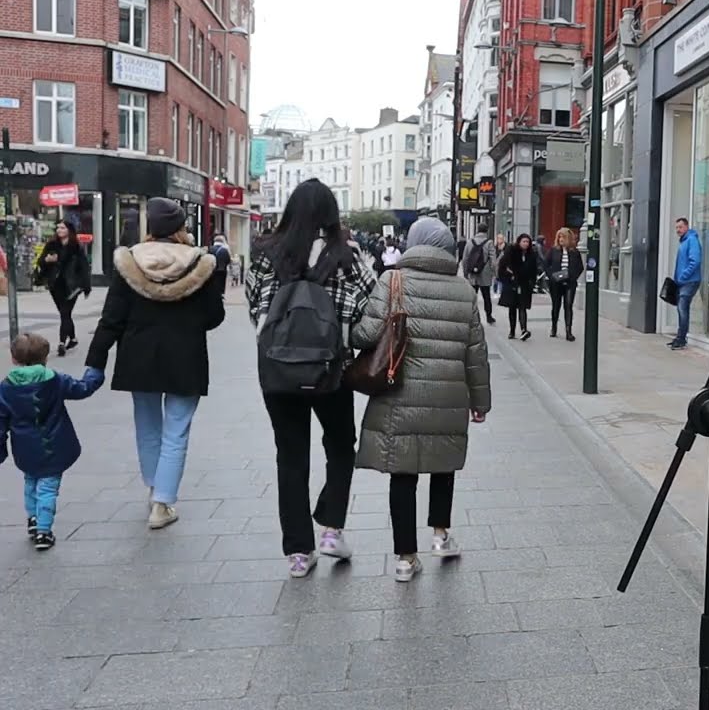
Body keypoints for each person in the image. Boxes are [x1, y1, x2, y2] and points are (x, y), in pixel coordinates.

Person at [246, 179, 378, 579]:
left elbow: (256, 309)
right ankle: (332, 529)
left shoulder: (265, 253)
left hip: (278, 371)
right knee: (340, 445)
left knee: (290, 455)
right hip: (329, 370)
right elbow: (369, 308)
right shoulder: (346, 255)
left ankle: (298, 552)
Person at [352, 217, 491, 581]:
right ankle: (441, 537)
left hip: (399, 397)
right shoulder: (464, 290)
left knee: (403, 475)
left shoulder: (392, 280)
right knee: (443, 464)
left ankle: (404, 558)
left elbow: (365, 334)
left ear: (413, 243)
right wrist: (480, 402)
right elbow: (475, 353)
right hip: (449, 396)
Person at [86, 198, 226, 530]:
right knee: (176, 430)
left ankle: (153, 488)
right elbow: (213, 318)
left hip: (139, 356)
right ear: (181, 228)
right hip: (185, 358)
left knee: (147, 427)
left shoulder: (130, 261)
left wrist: (96, 361)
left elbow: (112, 318)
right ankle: (163, 503)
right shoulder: (200, 264)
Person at [0, 333, 104, 550]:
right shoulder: (55, 380)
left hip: (24, 449)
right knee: (47, 487)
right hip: (54, 447)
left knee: (30, 481)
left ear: (13, 359)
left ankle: (33, 520)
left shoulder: (6, 388)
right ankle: (43, 532)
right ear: (45, 359)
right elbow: (82, 389)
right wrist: (94, 372)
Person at [37, 221, 91, 357]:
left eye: (62, 227)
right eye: (58, 227)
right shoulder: (52, 245)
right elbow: (41, 261)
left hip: (72, 286)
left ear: (69, 230)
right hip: (56, 285)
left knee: (65, 313)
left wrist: (86, 285)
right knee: (64, 314)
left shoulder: (75, 247)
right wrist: (47, 260)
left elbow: (84, 266)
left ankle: (62, 343)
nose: (59, 230)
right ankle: (72, 339)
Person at [497, 233, 539, 341]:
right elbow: (502, 267)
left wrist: (532, 283)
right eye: (523, 241)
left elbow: (534, 270)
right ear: (519, 242)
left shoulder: (531, 254)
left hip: (524, 285)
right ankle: (512, 331)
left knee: (522, 307)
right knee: (512, 308)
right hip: (513, 284)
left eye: (527, 242)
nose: (525, 244)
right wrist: (508, 277)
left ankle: (524, 329)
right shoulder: (511, 252)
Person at [546, 227, 584, 341]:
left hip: (570, 283)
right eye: (559, 237)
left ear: (569, 238)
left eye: (563, 237)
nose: (561, 239)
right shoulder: (553, 250)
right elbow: (546, 264)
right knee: (556, 305)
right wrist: (552, 276)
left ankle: (568, 331)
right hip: (556, 282)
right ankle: (554, 327)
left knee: (568, 305)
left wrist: (572, 277)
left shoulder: (574, 252)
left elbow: (580, 267)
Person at [670, 218, 701, 350]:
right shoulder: (684, 241)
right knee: (682, 309)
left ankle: (681, 339)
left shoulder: (691, 240)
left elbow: (695, 261)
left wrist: (683, 276)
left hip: (690, 281)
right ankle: (680, 337)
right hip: (683, 281)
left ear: (687, 227)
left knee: (682, 308)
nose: (678, 230)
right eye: (676, 227)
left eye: (680, 227)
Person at [462, 223, 498, 324]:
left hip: (473, 274)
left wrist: (465, 273)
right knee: (486, 296)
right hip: (485, 274)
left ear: (477, 230)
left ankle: (471, 316)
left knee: (472, 297)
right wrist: (494, 273)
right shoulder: (489, 242)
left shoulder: (470, 242)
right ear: (487, 230)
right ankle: (489, 316)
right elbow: (493, 260)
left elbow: (465, 259)